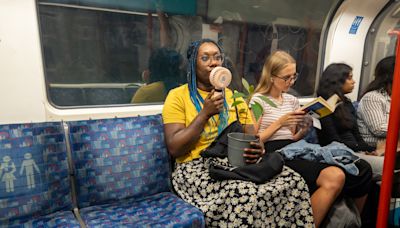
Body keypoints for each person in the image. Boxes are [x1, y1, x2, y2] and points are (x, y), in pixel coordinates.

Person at [162, 39, 314, 227]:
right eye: (205, 58)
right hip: (194, 168)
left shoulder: (232, 97)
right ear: (193, 64)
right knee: (244, 193)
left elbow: (251, 138)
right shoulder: (178, 96)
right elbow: (175, 148)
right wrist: (205, 113)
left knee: (294, 182)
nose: (214, 62)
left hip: (230, 162)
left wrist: (257, 148)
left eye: (217, 57)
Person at [251, 51, 372, 225]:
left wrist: (303, 129)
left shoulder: (291, 100)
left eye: (294, 77)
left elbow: (292, 137)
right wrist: (279, 122)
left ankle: (355, 222)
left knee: (362, 168)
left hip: (295, 148)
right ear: (271, 77)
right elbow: (253, 140)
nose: (291, 82)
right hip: (272, 152)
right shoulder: (258, 101)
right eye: (286, 78)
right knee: (334, 176)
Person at [315, 62, 373, 211]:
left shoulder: (346, 103)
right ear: (337, 81)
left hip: (355, 149)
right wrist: (359, 150)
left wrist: (370, 149)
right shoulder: (324, 106)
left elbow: (357, 135)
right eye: (349, 78)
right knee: (385, 166)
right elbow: (331, 140)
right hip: (339, 152)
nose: (354, 82)